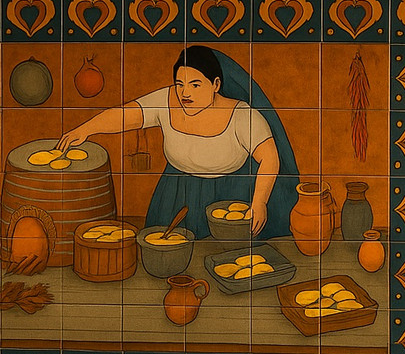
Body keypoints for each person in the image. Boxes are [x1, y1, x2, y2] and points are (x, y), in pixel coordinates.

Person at [58, 45, 298, 241]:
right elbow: (128, 114)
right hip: (174, 197)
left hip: (229, 197)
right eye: (179, 84)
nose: (185, 93)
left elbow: (269, 157)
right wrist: (86, 129)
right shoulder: (167, 99)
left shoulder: (242, 115)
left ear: (215, 85)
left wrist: (259, 202)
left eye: (195, 85)